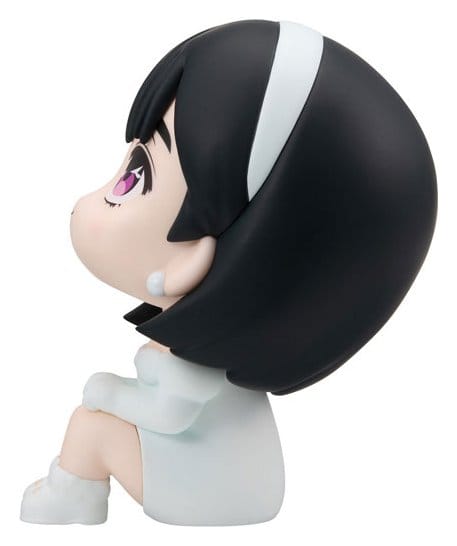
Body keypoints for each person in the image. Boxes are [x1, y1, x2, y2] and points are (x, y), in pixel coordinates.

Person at [20, 19, 437, 526]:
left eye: (136, 177)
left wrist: (108, 391)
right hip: (216, 476)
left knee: (90, 426)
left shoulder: (196, 369)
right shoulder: (199, 358)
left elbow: (168, 414)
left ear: (192, 259)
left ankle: (72, 499)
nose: (93, 200)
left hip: (208, 490)